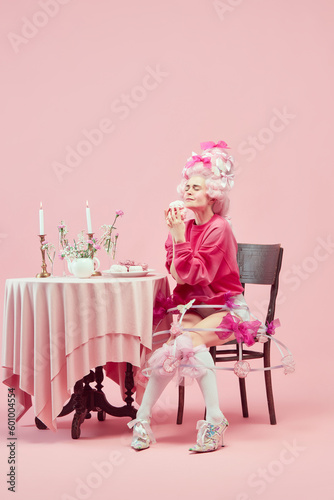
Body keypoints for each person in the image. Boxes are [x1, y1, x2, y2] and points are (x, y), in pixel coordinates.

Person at [128, 140, 259, 453]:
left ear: (212, 192)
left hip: (227, 307)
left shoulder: (220, 228)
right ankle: (143, 420)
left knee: (187, 343)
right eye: (185, 185)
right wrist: (177, 235)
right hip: (195, 307)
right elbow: (177, 275)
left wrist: (177, 237)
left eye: (195, 186)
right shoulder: (183, 226)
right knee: (175, 348)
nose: (187, 190)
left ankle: (213, 421)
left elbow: (196, 274)